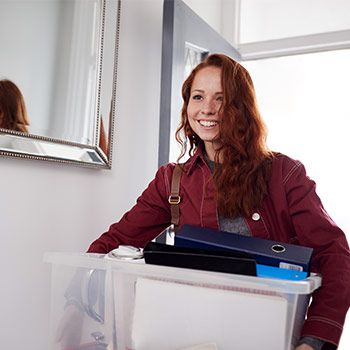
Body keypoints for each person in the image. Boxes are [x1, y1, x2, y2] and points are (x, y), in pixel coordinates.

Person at [87, 54, 350, 349]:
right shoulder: (171, 180)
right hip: (192, 336)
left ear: (241, 108)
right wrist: (76, 302)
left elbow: (335, 254)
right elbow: (115, 242)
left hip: (268, 335)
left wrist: (312, 341)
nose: (207, 109)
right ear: (187, 106)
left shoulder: (284, 174)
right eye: (198, 97)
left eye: (221, 98)